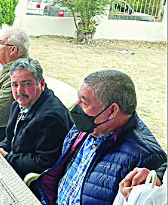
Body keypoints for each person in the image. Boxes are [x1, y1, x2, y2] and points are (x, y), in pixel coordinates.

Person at [33, 70, 167, 205]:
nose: (76, 108)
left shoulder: (146, 157)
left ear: (112, 111)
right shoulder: (86, 128)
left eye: (84, 103)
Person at [0, 58, 72, 178]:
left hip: (31, 180)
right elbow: (10, 137)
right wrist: (2, 148)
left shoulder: (50, 118)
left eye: (27, 84)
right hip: (14, 163)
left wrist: (7, 157)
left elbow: (44, 162)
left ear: (41, 84)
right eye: (15, 85)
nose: (19, 91)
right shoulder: (18, 104)